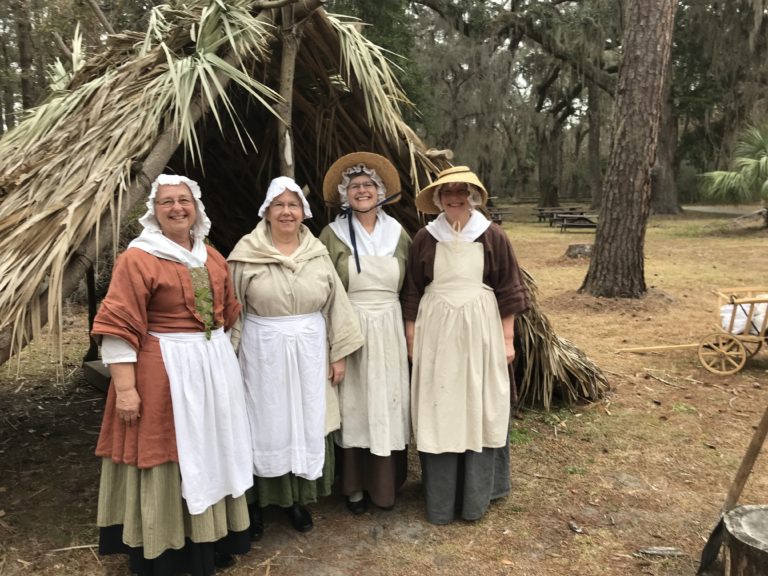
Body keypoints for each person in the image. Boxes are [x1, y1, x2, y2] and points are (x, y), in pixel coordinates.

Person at [93, 174, 254, 575]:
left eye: (184, 200)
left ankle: (210, 538)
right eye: (167, 202)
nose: (177, 208)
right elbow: (118, 325)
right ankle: (165, 546)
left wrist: (220, 359)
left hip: (212, 369)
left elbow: (229, 313)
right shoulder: (138, 258)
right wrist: (126, 389)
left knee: (212, 448)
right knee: (169, 449)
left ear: (196, 208)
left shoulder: (211, 256)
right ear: (154, 211)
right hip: (163, 369)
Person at [228, 176, 363, 535]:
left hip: (309, 351)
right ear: (267, 212)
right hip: (262, 352)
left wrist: (338, 354)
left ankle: (296, 501)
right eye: (279, 205)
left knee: (304, 417)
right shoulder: (245, 254)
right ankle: (256, 504)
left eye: (293, 206)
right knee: (264, 421)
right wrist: (230, 358)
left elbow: (336, 304)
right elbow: (233, 311)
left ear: (304, 213)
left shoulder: (317, 253)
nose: (287, 212)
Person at [401, 166, 529, 525]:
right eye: (447, 193)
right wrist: (412, 337)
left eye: (461, 192)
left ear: (472, 196)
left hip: (481, 330)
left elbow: (509, 290)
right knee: (441, 402)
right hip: (436, 331)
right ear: (438, 199)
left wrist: (507, 338)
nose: (454, 198)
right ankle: (442, 496)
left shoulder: (493, 236)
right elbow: (412, 290)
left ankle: (477, 493)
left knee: (478, 399)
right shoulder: (425, 238)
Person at [318, 152, 411, 514]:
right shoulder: (332, 234)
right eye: (354, 186)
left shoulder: (398, 234)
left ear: (380, 191)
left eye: (368, 185)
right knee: (355, 403)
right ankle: (354, 486)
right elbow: (324, 287)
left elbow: (410, 286)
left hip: (389, 325)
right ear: (345, 194)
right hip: (350, 323)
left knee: (388, 398)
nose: (362, 191)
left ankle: (386, 487)